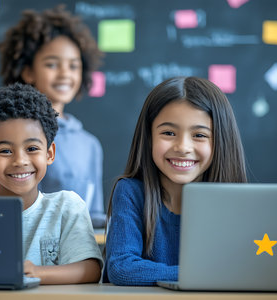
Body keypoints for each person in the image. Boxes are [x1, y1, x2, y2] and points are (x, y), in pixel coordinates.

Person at [103, 76, 247, 286]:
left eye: (199, 135)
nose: (183, 147)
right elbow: (122, 269)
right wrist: (206, 273)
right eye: (169, 133)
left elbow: (246, 269)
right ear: (149, 137)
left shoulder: (236, 202)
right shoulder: (130, 192)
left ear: (221, 141)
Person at [0, 83, 102, 284]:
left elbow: (90, 269)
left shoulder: (66, 207)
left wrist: (36, 272)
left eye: (32, 148)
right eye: (5, 151)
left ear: (49, 154)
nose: (20, 161)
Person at [0, 5, 106, 228]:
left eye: (74, 66)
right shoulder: (14, 133)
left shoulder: (90, 144)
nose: (65, 73)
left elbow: (95, 215)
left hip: (76, 252)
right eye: (52, 64)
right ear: (28, 71)